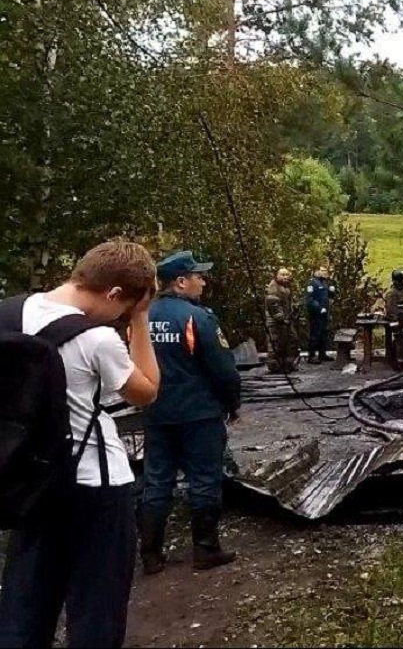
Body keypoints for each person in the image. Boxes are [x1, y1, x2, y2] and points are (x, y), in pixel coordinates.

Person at [0, 240, 160, 648]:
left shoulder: (8, 315)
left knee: (25, 605)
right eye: (123, 308)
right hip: (96, 486)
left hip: (28, 483)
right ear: (114, 293)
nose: (119, 317)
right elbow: (146, 391)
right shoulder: (96, 339)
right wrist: (140, 319)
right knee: (96, 609)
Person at [139, 251, 242, 575]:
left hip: (156, 412)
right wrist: (232, 404)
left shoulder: (143, 317)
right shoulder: (197, 318)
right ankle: (206, 549)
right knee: (205, 479)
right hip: (199, 414)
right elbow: (223, 370)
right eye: (198, 277)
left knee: (156, 481)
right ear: (181, 282)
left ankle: (150, 554)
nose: (203, 282)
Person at [264, 268, 297, 373]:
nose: (285, 277)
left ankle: (287, 364)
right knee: (275, 344)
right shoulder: (273, 288)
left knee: (291, 341)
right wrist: (282, 318)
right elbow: (274, 306)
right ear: (276, 276)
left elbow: (288, 303)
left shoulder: (286, 286)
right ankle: (274, 367)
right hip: (275, 321)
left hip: (286, 319)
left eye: (287, 274)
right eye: (282, 274)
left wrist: (292, 312)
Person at [304, 266, 337, 364]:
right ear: (315, 271)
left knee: (324, 333)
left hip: (325, 312)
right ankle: (312, 356)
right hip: (315, 313)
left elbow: (328, 296)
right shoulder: (312, 282)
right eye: (322, 270)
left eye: (325, 270)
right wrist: (318, 308)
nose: (324, 272)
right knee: (315, 334)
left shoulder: (324, 282)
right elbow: (310, 299)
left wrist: (332, 291)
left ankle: (322, 354)